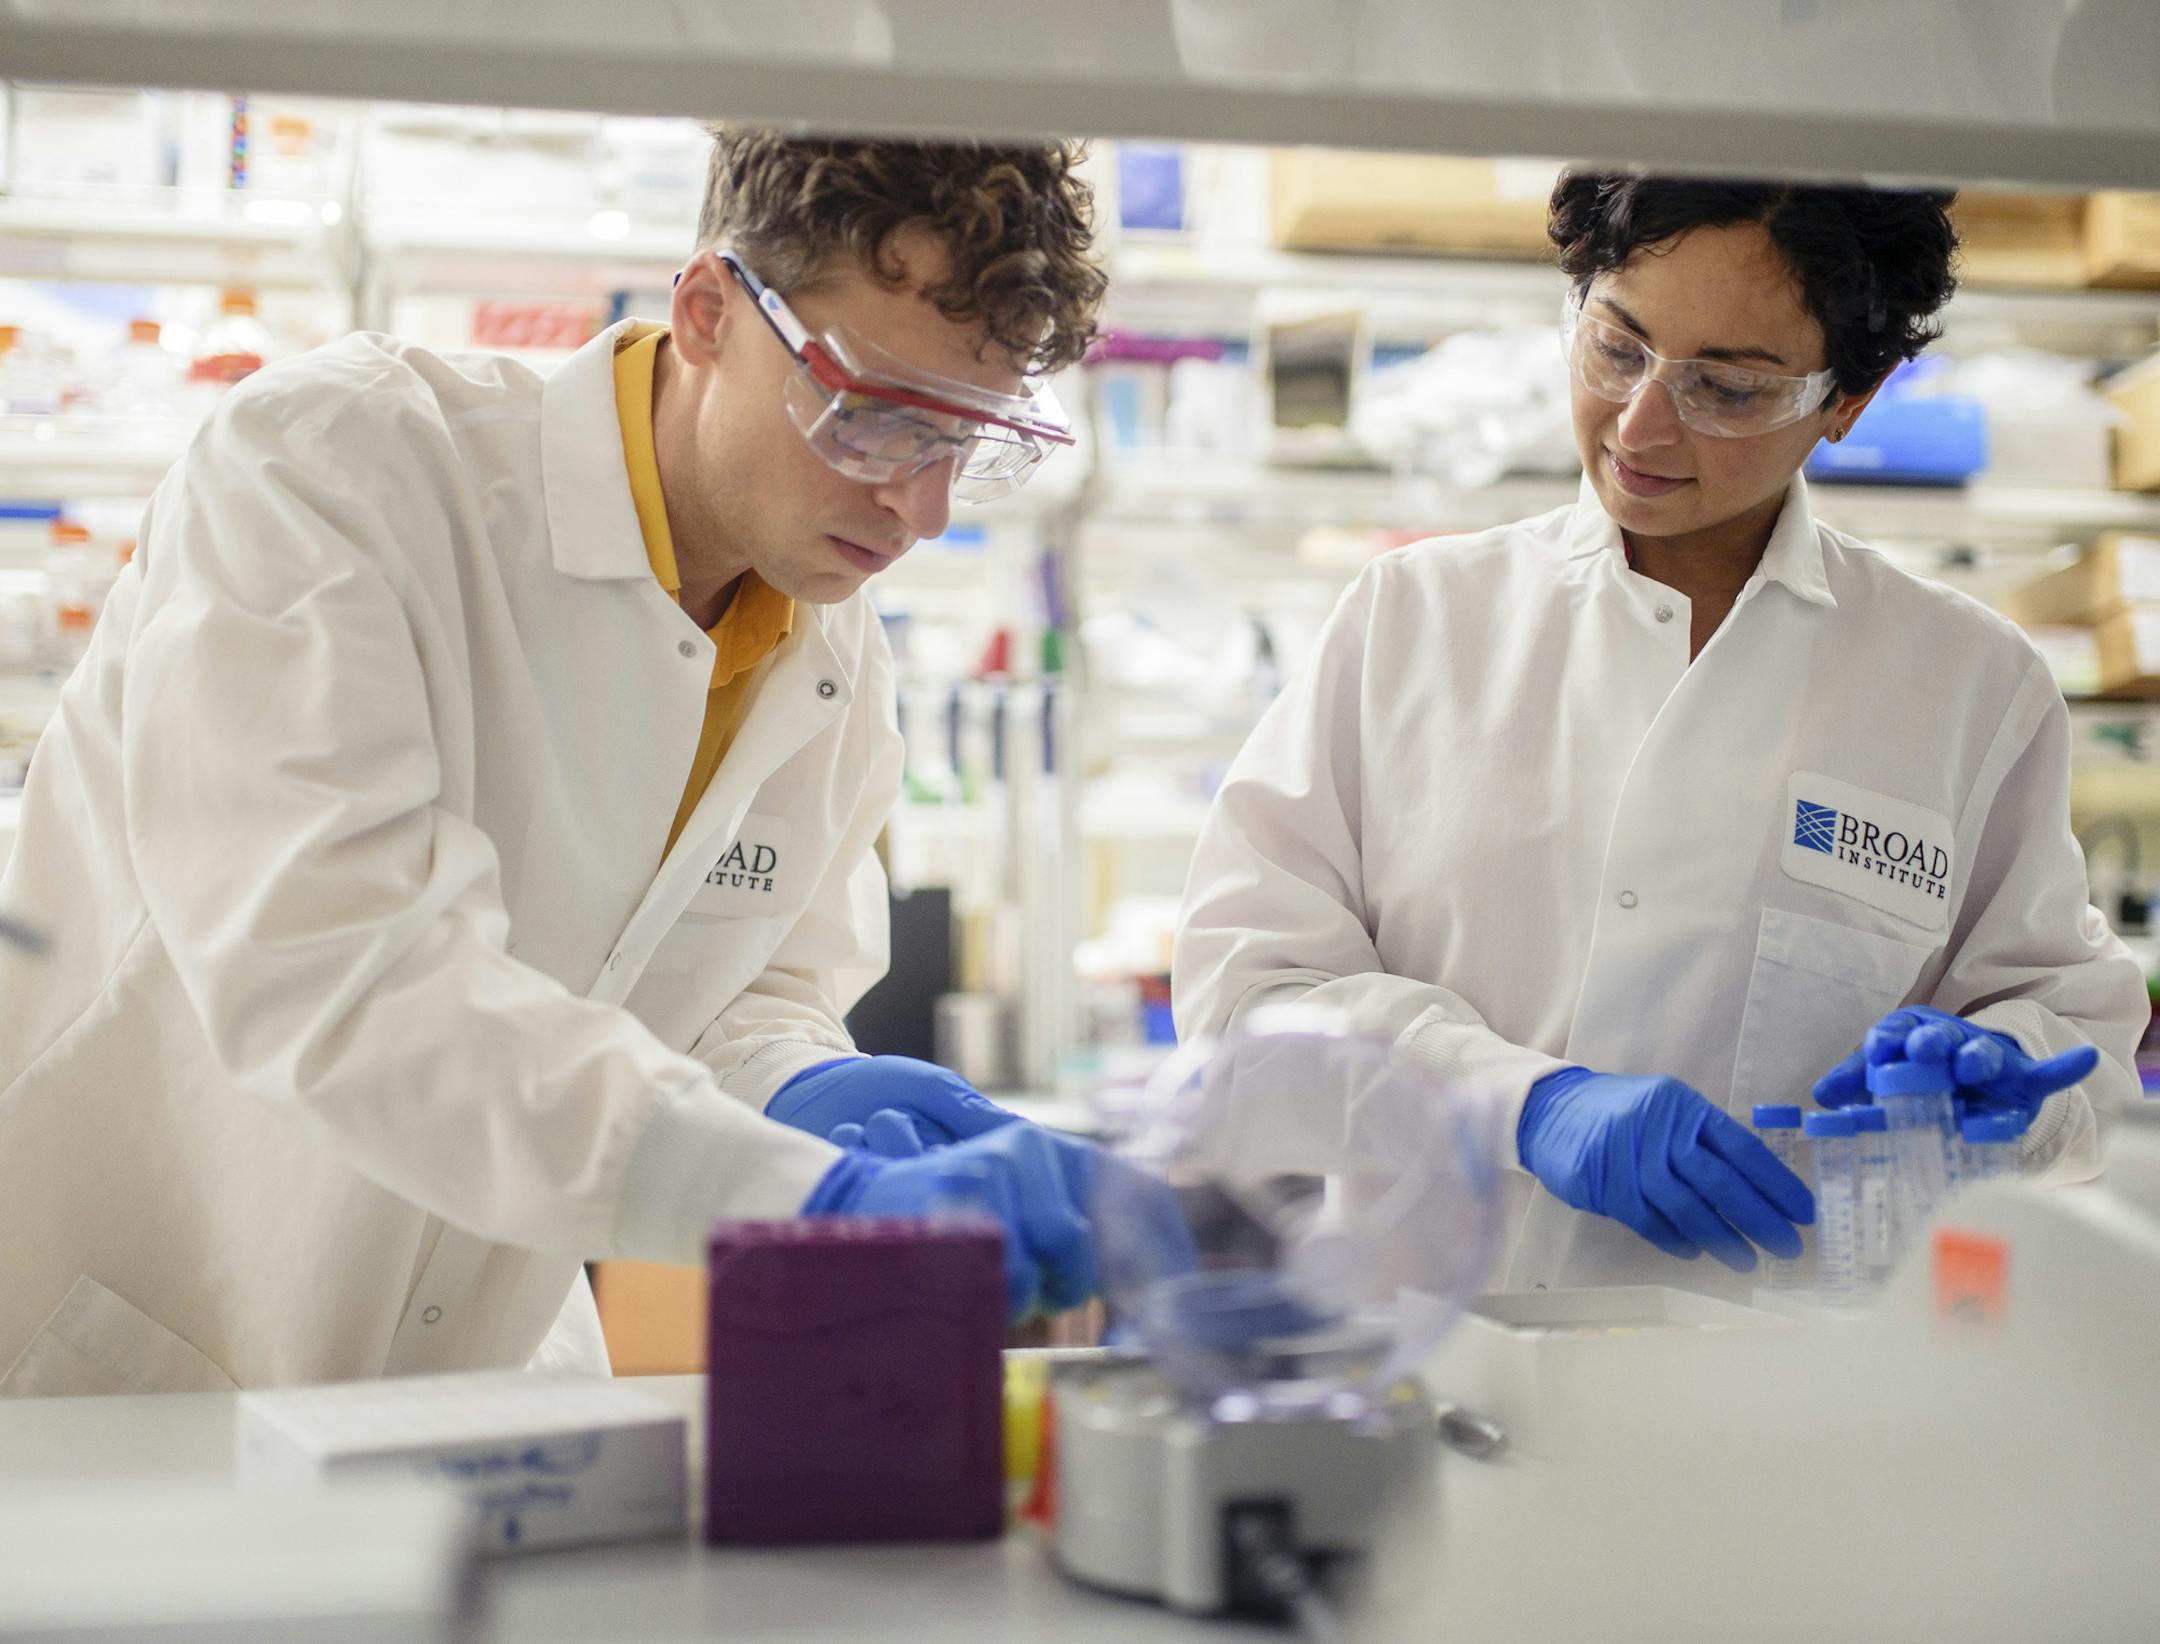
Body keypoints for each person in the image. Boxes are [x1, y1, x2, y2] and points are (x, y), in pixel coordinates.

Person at [0, 128, 1114, 1394]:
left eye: (968, 441)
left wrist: (806, 1090)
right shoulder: (331, 471)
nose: (921, 510)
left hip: (479, 1376)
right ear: (706, 313)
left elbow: (742, 988)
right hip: (119, 1357)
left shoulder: (829, 646)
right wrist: (815, 1197)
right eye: (873, 420)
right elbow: (340, 976)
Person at [1174, 174, 2145, 1299]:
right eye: (1617, 348)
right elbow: (1246, 1005)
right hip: (1441, 1376)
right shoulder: (1413, 622)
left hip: (1796, 1407)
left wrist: (2005, 1085)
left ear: (1850, 400)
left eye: (1727, 388)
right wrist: (1523, 1103)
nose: (1641, 424)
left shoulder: (1969, 685)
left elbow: (2079, 1044)